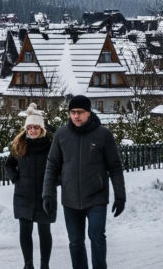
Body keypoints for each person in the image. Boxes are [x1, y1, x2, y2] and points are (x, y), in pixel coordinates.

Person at [42, 94, 125, 269]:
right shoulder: (62, 134)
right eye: (72, 112)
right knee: (75, 241)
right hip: (70, 198)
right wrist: (48, 193)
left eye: (80, 112)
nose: (76, 116)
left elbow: (115, 167)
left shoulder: (103, 134)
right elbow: (52, 164)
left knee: (97, 236)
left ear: (88, 113)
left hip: (96, 197)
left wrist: (120, 196)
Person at [5, 103, 55, 269]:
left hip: (45, 194)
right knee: (25, 231)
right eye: (29, 127)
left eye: (36, 127)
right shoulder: (19, 144)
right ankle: (28, 264)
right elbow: (9, 165)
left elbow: (59, 167)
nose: (32, 130)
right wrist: (16, 179)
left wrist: (55, 181)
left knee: (44, 231)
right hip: (23, 194)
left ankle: (44, 265)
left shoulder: (51, 146)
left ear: (42, 129)